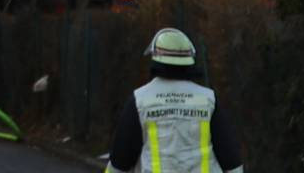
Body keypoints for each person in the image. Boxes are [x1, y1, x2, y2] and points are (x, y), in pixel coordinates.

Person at [103, 28, 243, 173]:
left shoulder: (140, 101)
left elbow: (120, 161)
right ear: (190, 60)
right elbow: (232, 161)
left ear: (155, 58)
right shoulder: (208, 100)